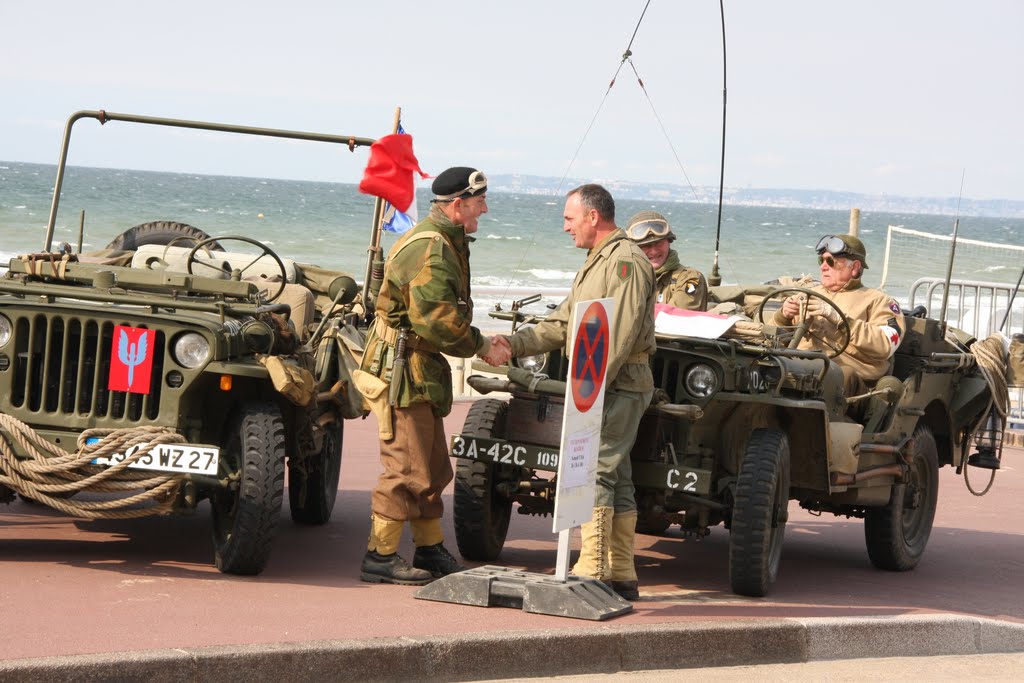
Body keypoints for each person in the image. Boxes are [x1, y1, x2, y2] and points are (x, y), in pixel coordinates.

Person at [483, 184, 656, 600]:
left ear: (593, 217)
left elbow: (620, 332)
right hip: (606, 384)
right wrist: (513, 345)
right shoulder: (598, 263)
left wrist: (588, 390)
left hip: (617, 384)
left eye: (569, 218)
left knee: (596, 468)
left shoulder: (625, 262)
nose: (565, 228)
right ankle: (621, 571)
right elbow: (563, 323)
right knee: (618, 475)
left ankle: (593, 568)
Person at [357, 166, 493, 585]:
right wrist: (484, 346)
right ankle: (379, 556)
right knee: (405, 468)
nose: (484, 210)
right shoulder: (432, 247)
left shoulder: (446, 240)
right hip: (402, 370)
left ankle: (430, 549)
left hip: (419, 368)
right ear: (457, 205)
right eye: (478, 202)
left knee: (432, 467)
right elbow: (437, 321)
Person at [771, 233, 904, 397]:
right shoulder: (808, 295)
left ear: (854, 267)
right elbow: (770, 338)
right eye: (821, 260)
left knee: (844, 374)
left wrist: (842, 321)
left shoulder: (878, 301)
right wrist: (783, 316)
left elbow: (885, 345)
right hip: (800, 370)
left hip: (851, 384)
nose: (823, 267)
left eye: (830, 261)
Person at [625, 210, 708, 311]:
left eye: (659, 243)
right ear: (634, 249)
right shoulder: (626, 278)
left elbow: (673, 318)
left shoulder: (690, 278)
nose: (654, 251)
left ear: (669, 242)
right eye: (646, 246)